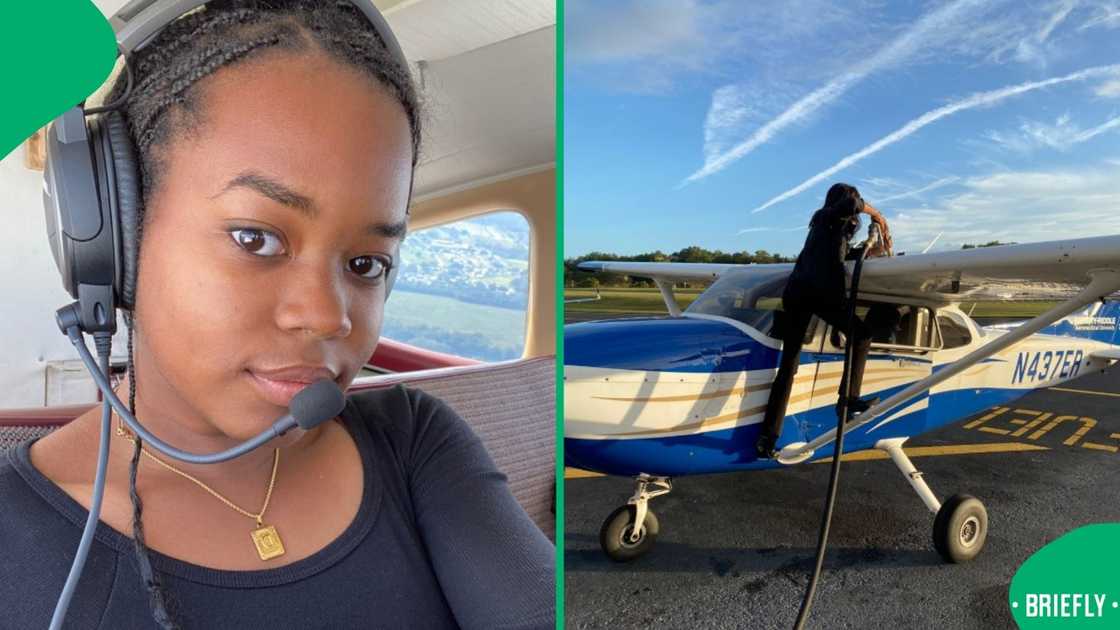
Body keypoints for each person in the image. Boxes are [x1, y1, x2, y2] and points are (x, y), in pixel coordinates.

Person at [0, 2, 553, 628]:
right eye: (255, 239)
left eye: (367, 264)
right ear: (111, 242)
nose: (326, 317)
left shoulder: (413, 441)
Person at [755, 183, 893, 459]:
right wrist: (878, 215)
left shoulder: (824, 226)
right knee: (862, 335)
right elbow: (853, 207)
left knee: (787, 369)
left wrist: (873, 251)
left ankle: (767, 440)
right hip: (819, 294)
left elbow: (837, 258)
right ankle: (849, 400)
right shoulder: (829, 216)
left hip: (796, 294)